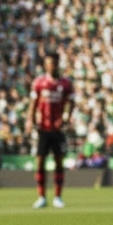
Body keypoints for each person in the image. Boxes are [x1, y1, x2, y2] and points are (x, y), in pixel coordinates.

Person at [29, 53, 74, 209]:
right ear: (45, 65)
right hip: (43, 128)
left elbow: (71, 102)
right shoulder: (39, 82)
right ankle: (41, 197)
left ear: (57, 64)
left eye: (54, 63)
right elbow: (33, 103)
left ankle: (58, 197)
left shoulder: (65, 83)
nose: (51, 66)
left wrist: (67, 117)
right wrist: (30, 120)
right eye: (48, 63)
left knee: (58, 161)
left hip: (58, 129)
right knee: (40, 161)